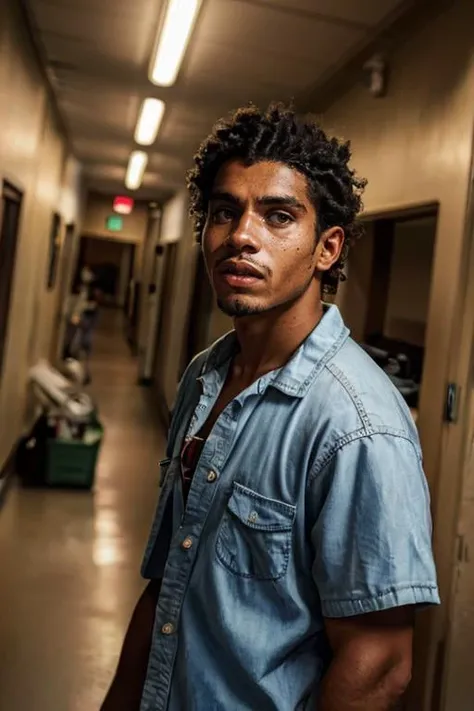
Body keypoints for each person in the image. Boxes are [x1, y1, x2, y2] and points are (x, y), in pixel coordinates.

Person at [101, 104, 439, 711]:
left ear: (327, 248)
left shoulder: (358, 427)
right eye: (225, 212)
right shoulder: (205, 374)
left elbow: (380, 665)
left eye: (279, 216)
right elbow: (166, 588)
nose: (242, 236)